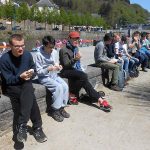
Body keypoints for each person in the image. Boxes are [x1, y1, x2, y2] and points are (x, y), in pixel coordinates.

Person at [0, 34, 47, 143]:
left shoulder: (27, 55)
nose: (20, 48)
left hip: (25, 82)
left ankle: (21, 125)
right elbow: (8, 80)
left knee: (28, 89)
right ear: (10, 46)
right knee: (30, 96)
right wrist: (19, 77)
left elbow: (34, 69)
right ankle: (37, 127)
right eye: (17, 46)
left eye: (23, 45)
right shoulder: (4, 59)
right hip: (11, 86)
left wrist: (32, 73)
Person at [59, 31, 112, 112]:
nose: (76, 40)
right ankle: (74, 94)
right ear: (69, 38)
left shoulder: (75, 48)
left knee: (84, 80)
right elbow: (66, 65)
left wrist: (78, 63)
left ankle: (99, 100)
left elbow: (77, 64)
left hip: (73, 70)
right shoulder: (63, 49)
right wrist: (75, 59)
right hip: (65, 71)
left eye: (77, 38)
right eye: (74, 38)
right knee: (83, 76)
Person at [35, 35, 70, 122]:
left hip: (54, 74)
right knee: (58, 87)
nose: (51, 49)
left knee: (65, 86)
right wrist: (48, 69)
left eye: (52, 47)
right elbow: (38, 72)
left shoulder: (54, 52)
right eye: (49, 47)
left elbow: (56, 62)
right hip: (44, 77)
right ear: (44, 45)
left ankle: (61, 107)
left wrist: (58, 66)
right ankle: (55, 110)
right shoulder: (38, 54)